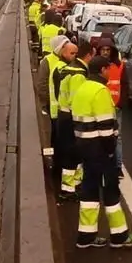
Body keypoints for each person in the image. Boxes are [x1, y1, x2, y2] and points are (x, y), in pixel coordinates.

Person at [71, 56, 132, 249]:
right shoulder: (100, 91)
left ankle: (85, 237)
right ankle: (119, 236)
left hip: (84, 146)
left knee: (90, 190)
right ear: (102, 70)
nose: (109, 73)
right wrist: (111, 151)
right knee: (110, 190)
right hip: (99, 150)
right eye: (108, 69)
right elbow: (105, 127)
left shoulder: (82, 89)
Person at [55, 39, 93, 199]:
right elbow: (76, 101)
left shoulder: (69, 68)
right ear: (89, 55)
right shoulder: (78, 74)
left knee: (72, 153)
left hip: (63, 116)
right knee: (73, 153)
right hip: (71, 118)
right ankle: (68, 189)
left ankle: (73, 185)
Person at [37, 35, 72, 184]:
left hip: (66, 109)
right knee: (57, 139)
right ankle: (58, 168)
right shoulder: (48, 61)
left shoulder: (69, 60)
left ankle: (63, 166)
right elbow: (42, 85)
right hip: (55, 109)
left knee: (65, 140)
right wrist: (46, 102)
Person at [96, 35, 125, 179]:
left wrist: (120, 103)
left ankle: (118, 166)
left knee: (117, 137)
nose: (105, 52)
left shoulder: (119, 66)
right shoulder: (96, 66)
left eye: (108, 50)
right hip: (101, 107)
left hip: (115, 107)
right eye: (103, 49)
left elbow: (124, 85)